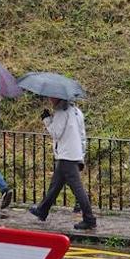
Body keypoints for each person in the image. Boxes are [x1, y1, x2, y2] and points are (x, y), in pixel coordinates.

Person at [28, 97, 95, 230]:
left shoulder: (61, 112)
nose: (50, 99)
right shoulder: (76, 111)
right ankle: (42, 210)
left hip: (66, 155)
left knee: (78, 189)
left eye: (52, 96)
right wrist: (81, 154)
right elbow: (82, 135)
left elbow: (56, 133)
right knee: (55, 185)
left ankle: (89, 219)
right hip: (73, 154)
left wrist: (47, 119)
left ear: (58, 97)